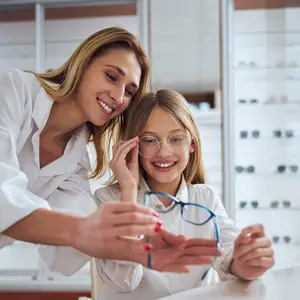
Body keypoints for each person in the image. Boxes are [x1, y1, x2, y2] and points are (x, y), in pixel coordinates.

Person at [0, 27, 218, 275]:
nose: (118, 96)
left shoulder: (76, 161)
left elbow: (66, 256)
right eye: (112, 77)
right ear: (84, 63)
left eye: (129, 91)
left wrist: (132, 248)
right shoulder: (16, 90)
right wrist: (83, 230)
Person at [94, 89, 275, 300]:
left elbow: (229, 258)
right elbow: (123, 282)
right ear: (133, 146)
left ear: (191, 144)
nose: (163, 152)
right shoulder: (109, 200)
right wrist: (129, 193)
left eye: (176, 139)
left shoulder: (205, 198)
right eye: (150, 140)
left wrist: (247, 261)